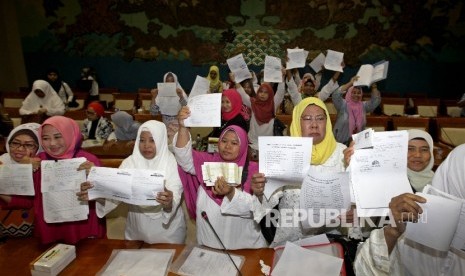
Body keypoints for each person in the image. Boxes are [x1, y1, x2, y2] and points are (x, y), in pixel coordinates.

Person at [251, 97, 351, 247]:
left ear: (327, 122)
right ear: (298, 122)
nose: (314, 124)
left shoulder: (343, 153)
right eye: (307, 119)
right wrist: (259, 191)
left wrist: (356, 170)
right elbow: (266, 202)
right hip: (290, 240)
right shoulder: (285, 151)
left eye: (320, 118)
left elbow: (357, 201)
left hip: (331, 239)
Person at [354, 143, 465, 275]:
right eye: (410, 149)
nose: (417, 155)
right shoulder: (413, 215)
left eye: (424, 149)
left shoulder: (433, 180)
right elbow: (369, 267)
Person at [0, 116, 106, 244]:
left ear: (70, 134)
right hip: (49, 230)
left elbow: (106, 199)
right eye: (45, 138)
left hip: (84, 229)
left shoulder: (89, 161)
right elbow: (28, 201)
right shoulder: (39, 161)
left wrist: (97, 177)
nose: (52, 143)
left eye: (58, 136)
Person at [79, 120, 186, 244]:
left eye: (152, 140)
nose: (146, 145)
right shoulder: (130, 163)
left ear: (161, 140)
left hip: (168, 233)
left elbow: (175, 198)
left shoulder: (173, 164)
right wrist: (96, 194)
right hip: (136, 230)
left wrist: (168, 202)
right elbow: (114, 196)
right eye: (142, 140)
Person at [174, 110, 268, 250]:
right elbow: (183, 157)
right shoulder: (206, 162)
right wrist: (182, 127)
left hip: (245, 248)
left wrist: (231, 192)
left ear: (243, 147)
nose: (227, 146)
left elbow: (258, 210)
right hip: (209, 244)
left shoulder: (256, 171)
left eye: (234, 143)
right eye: (224, 141)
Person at [0, 123, 42, 238]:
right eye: (15, 143)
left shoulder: (40, 167)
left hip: (29, 230)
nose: (19, 149)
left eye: (28, 145)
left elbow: (27, 202)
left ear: (38, 147)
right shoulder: (2, 162)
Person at [332, 76, 381, 145]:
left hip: (357, 143)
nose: (356, 95)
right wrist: (351, 83)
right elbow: (335, 95)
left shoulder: (363, 106)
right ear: (349, 93)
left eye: (358, 93)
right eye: (353, 92)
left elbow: (375, 101)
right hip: (340, 143)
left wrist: (374, 87)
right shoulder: (343, 104)